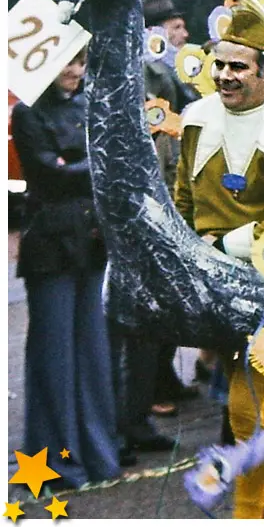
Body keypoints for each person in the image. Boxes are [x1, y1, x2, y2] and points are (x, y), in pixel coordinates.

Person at [174, 2, 264, 519]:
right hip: (212, 283)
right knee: (248, 402)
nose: (223, 75)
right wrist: (189, 253)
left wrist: (223, 246)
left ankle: (249, 514)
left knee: (246, 405)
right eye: (219, 64)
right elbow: (184, 198)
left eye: (238, 67)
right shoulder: (197, 119)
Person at [11, 47, 123, 489]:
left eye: (79, 61)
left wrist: (77, 165)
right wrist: (96, 164)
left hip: (90, 239)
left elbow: (69, 169)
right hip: (52, 243)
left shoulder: (84, 103)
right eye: (67, 62)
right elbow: (49, 173)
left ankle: (97, 455)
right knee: (54, 354)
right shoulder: (28, 112)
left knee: (93, 352)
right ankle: (60, 460)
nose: (75, 70)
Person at [142, 0, 201, 418]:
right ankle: (152, 384)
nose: (184, 35)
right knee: (159, 293)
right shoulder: (150, 67)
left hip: (173, 179)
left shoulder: (171, 66)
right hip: (159, 185)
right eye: (175, 28)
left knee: (173, 292)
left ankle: (165, 377)